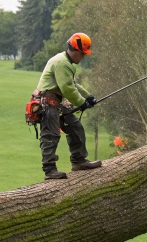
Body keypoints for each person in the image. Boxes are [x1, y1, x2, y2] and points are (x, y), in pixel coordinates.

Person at [34, 33, 102, 180]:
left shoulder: (64, 61)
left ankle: (79, 160)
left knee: (75, 126)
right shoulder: (63, 63)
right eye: (82, 54)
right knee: (51, 135)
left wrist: (88, 96)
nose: (83, 57)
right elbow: (67, 89)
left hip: (56, 102)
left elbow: (73, 84)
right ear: (76, 50)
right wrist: (81, 102)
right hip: (48, 102)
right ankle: (49, 170)